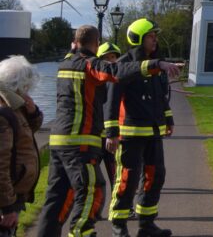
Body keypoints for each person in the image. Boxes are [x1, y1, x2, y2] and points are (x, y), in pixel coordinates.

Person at [35, 25, 180, 237]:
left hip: (58, 141)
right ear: (96, 44)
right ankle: (82, 232)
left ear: (75, 43)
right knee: (93, 190)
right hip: (80, 142)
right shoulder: (89, 64)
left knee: (57, 196)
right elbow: (116, 72)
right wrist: (157, 64)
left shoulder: (65, 63)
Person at [106, 19, 175, 237]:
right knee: (127, 178)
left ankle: (146, 225)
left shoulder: (153, 63)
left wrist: (168, 118)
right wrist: (111, 133)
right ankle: (119, 225)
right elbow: (111, 101)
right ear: (138, 39)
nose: (155, 40)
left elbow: (160, 96)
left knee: (156, 177)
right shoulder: (123, 65)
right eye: (151, 36)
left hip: (153, 132)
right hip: (130, 135)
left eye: (155, 36)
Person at [0, 56, 43, 237]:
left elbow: (25, 133)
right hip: (7, 198)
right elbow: (1, 164)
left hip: (14, 193)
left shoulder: (14, 107)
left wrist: (32, 113)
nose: (28, 91)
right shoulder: (4, 113)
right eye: (26, 86)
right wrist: (7, 206)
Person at [96, 42, 121, 196]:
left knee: (115, 173)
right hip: (96, 135)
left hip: (112, 134)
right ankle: (92, 209)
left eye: (113, 57)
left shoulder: (119, 81)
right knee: (92, 176)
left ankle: (120, 203)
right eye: (107, 57)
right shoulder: (94, 81)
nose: (111, 60)